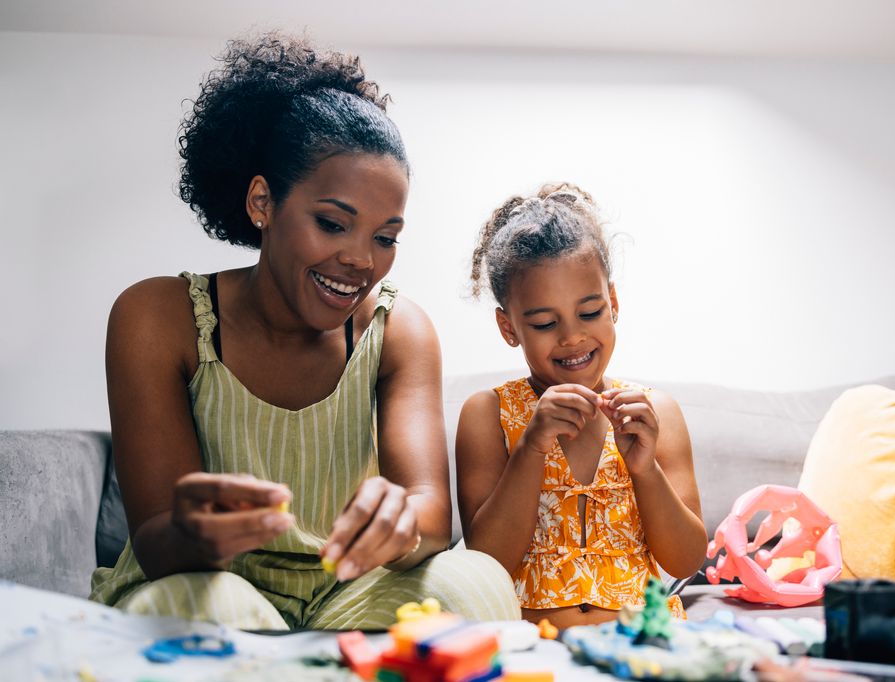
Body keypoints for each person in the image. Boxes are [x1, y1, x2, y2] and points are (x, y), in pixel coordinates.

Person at [89, 33, 519, 630]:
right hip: (206, 583)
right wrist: (192, 531)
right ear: (263, 202)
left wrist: (402, 523)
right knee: (213, 611)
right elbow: (160, 543)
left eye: (385, 236)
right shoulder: (157, 318)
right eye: (332, 223)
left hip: (344, 596)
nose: (361, 260)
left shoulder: (399, 329)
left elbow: (430, 519)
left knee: (477, 587)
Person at [455, 183, 706, 629]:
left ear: (612, 302)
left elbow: (686, 559)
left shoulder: (656, 412)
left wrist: (646, 470)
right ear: (508, 327)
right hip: (533, 648)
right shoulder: (486, 414)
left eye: (590, 313)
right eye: (545, 323)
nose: (572, 337)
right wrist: (531, 446)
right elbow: (487, 562)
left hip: (644, 644)